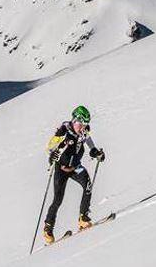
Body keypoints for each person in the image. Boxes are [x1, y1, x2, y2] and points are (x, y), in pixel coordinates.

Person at [42, 105, 106, 244]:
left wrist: (95, 151)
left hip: (75, 167)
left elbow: (88, 140)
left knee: (87, 185)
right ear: (75, 119)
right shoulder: (64, 129)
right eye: (81, 123)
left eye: (85, 124)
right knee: (58, 199)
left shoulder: (83, 131)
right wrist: (52, 154)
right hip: (62, 168)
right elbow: (50, 146)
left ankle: (83, 218)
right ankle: (48, 228)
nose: (83, 127)